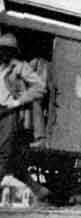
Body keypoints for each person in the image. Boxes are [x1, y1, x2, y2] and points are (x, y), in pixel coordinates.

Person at [0, 33, 46, 189]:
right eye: (3, 49)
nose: (5, 53)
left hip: (9, 112)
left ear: (14, 52)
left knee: (4, 152)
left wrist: (19, 101)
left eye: (9, 50)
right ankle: (38, 190)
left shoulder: (20, 67)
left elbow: (40, 87)